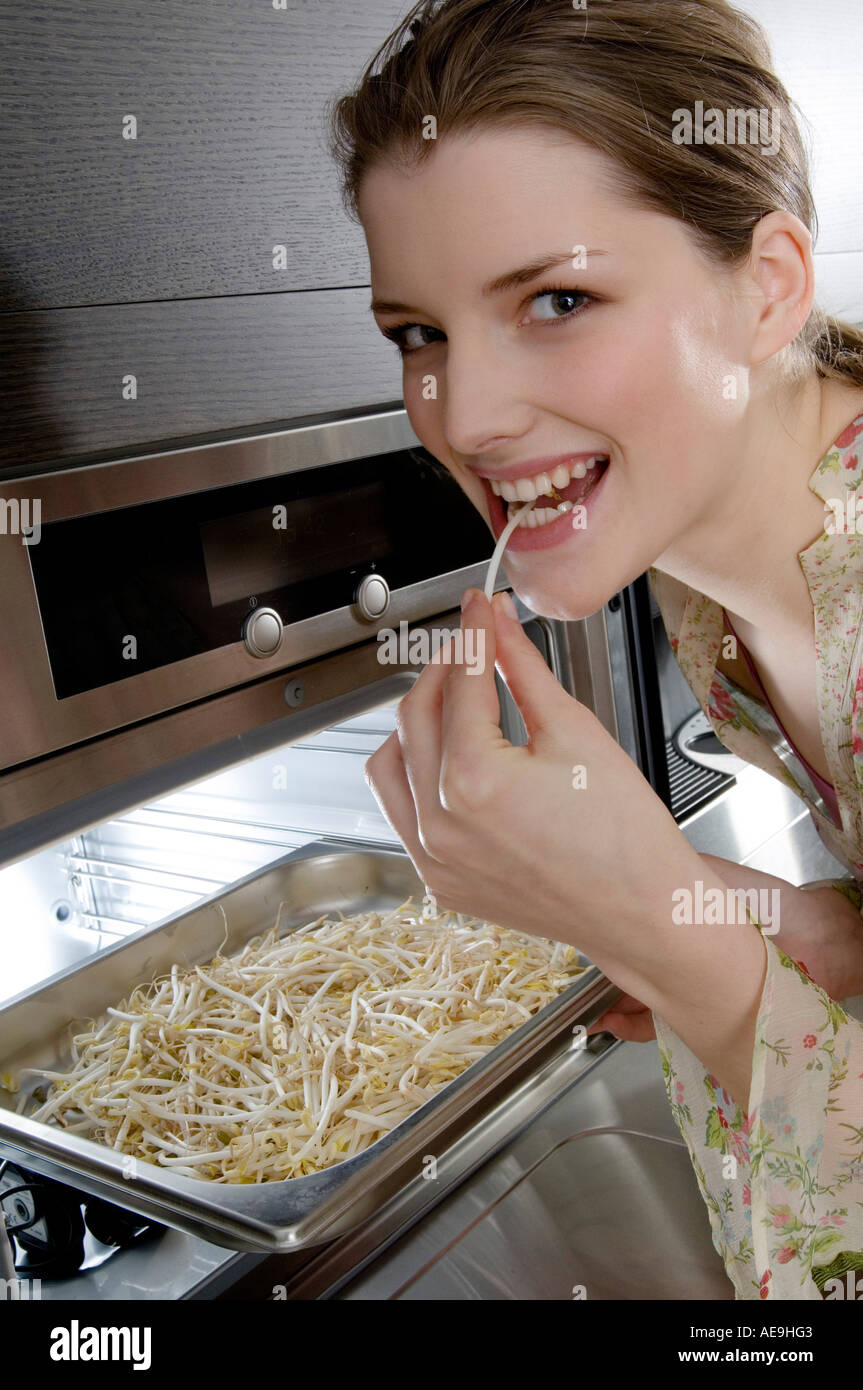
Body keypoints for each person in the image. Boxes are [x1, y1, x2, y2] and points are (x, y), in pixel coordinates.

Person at [328, 0, 863, 1299]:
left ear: (769, 287)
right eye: (421, 333)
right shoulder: (707, 595)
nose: (469, 413)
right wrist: (758, 918)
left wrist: (673, 942)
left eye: (558, 297)